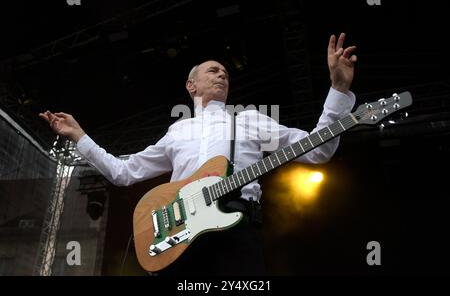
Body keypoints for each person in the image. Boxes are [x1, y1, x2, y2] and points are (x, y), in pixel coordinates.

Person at [40, 33, 357, 276]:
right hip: (180, 235)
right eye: (213, 70)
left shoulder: (249, 120)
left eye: (225, 73)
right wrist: (79, 136)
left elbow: (320, 151)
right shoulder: (178, 132)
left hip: (236, 228)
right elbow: (123, 173)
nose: (222, 74)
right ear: (191, 85)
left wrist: (339, 90)